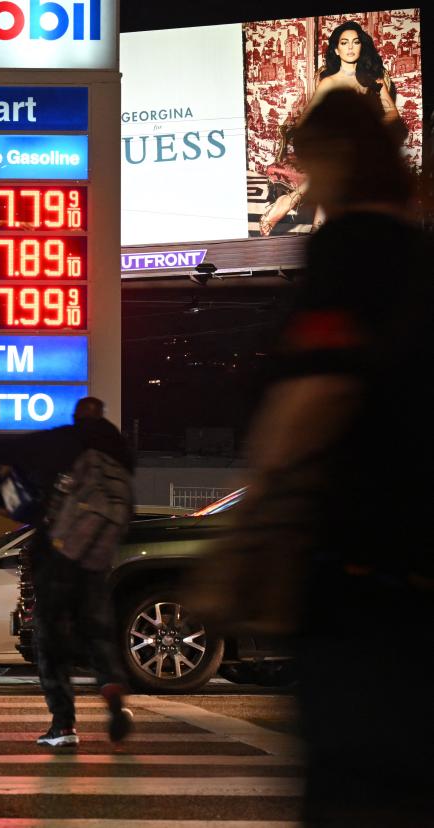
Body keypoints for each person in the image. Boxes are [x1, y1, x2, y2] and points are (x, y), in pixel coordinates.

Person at [191, 88, 431, 826]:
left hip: (358, 579)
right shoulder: (421, 258)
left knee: (353, 787)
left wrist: (252, 512)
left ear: (334, 160)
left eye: (304, 162)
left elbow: (312, 398)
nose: (300, 178)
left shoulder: (351, 251)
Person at [0, 397, 135, 747]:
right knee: (97, 632)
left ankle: (63, 724)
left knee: (50, 636)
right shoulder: (122, 455)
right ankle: (112, 692)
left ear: (76, 416)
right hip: (95, 558)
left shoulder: (60, 440)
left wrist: (3, 501)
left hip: (57, 553)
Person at [259, 20, 403, 235]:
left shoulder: (373, 78)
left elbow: (392, 113)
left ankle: (293, 205)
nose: (351, 47)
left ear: (361, 46)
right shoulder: (329, 82)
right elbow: (307, 118)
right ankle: (318, 225)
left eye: (355, 42)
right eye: (344, 43)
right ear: (337, 49)